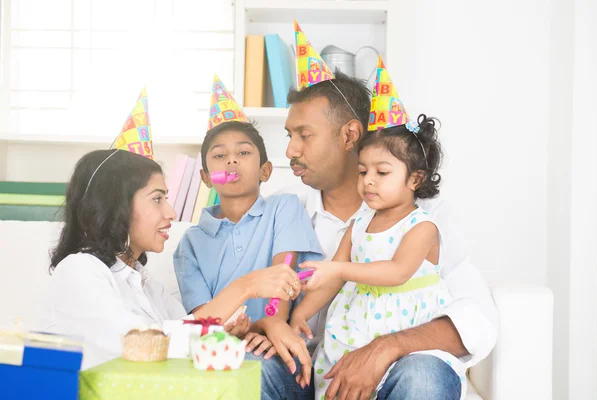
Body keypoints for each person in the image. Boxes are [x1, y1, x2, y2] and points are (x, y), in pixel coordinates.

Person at [252, 24, 498, 400]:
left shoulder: (429, 219)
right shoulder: (288, 208)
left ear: (350, 136)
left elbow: (477, 319)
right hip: (310, 371)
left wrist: (386, 349)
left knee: (424, 375)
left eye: (304, 135)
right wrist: (278, 319)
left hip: (400, 369)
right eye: (289, 136)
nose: (290, 151)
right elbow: (273, 292)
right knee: (251, 366)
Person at [44, 90, 304, 370]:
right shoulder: (79, 269)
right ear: (117, 205)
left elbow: (184, 334)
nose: (171, 212)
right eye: (158, 199)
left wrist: (227, 333)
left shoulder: (147, 285)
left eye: (167, 198)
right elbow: (143, 346)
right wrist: (246, 286)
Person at [291, 98, 467, 399]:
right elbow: (332, 280)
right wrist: (299, 316)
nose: (369, 181)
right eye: (363, 172)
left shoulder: (422, 226)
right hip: (354, 325)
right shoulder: (359, 222)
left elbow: (397, 272)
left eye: (381, 173)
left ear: (415, 179)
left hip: (400, 330)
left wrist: (339, 269)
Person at [173, 76, 322, 370]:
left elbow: (285, 278)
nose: (231, 161)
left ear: (265, 171)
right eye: (219, 155)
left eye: (243, 153)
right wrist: (255, 326)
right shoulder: (190, 244)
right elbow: (208, 322)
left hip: (275, 351)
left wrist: (274, 322)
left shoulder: (285, 208)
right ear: (205, 177)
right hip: (222, 356)